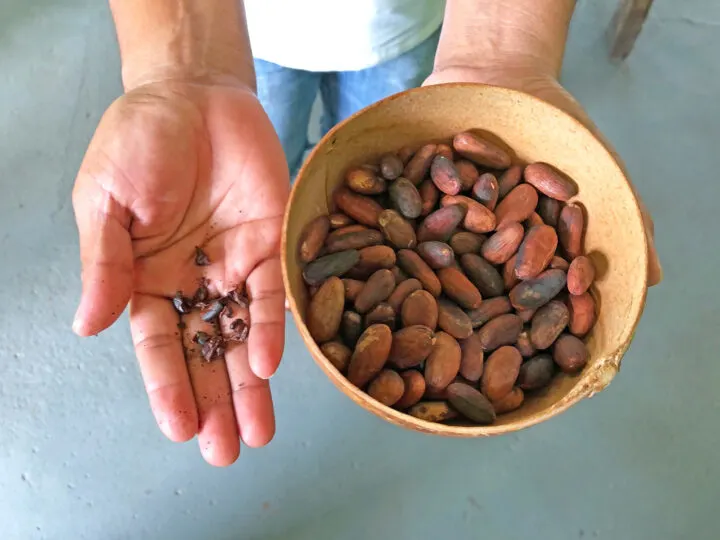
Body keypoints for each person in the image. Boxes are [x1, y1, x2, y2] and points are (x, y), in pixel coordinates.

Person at [71, 0, 662, 467]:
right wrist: (182, 69)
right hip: (250, 32)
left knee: (376, 135)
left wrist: (502, 54)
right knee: (277, 150)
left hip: (407, 24)